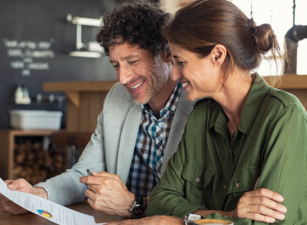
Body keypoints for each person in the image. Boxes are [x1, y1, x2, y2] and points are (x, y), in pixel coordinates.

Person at [0, 2, 194, 218]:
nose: (123, 78)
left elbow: (200, 202)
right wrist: (37, 194)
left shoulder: (199, 105)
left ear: (167, 53)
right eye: (116, 65)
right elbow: (85, 174)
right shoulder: (117, 97)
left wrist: (135, 204)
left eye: (132, 61)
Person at [123, 0, 306, 224]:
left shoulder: (284, 116)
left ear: (217, 55)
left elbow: (269, 222)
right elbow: (160, 201)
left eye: (180, 61)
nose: (174, 75)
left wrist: (181, 219)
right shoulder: (200, 116)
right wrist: (229, 217)